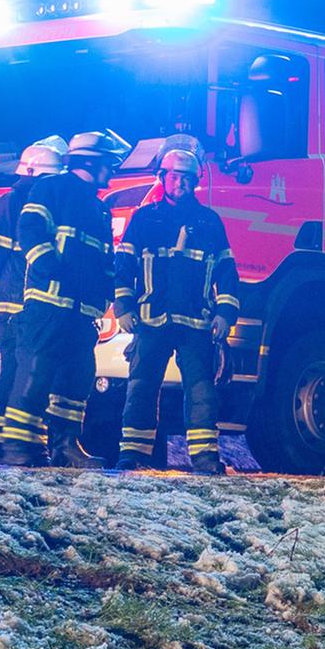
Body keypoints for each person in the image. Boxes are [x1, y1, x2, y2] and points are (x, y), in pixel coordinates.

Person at [110, 136, 240, 473]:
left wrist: (225, 314)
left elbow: (227, 273)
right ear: (162, 177)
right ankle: (133, 456)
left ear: (195, 181)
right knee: (141, 387)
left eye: (185, 178)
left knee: (201, 391)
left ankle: (205, 458)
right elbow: (122, 267)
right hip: (151, 321)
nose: (178, 183)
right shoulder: (143, 219)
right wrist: (123, 308)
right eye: (172, 176)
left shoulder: (210, 222)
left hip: (197, 323)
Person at [1, 129, 129, 466]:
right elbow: (29, 230)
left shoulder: (100, 210)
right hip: (48, 304)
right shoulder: (51, 188)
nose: (112, 171)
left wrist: (105, 296)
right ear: (91, 161)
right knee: (36, 373)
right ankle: (19, 448)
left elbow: (105, 259)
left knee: (77, 379)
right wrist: (48, 266)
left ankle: (66, 446)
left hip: (82, 313)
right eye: (109, 164)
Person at [0, 136, 66, 461]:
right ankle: (5, 444)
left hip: (18, 304)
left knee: (18, 373)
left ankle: (3, 443)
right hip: (21, 306)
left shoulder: (10, 202)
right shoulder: (20, 204)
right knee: (18, 372)